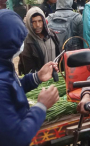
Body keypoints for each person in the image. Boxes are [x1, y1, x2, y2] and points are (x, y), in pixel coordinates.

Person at [0, 10, 60, 145]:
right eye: (19, 40)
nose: (22, 44)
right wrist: (41, 106)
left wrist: (37, 77)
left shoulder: (5, 63)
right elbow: (16, 138)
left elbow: (12, 87)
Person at [18, 7, 60, 74]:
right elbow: (28, 69)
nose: (37, 25)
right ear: (29, 23)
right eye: (33, 22)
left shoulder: (52, 35)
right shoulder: (27, 42)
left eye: (40, 21)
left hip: (55, 76)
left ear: (43, 21)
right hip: (40, 81)